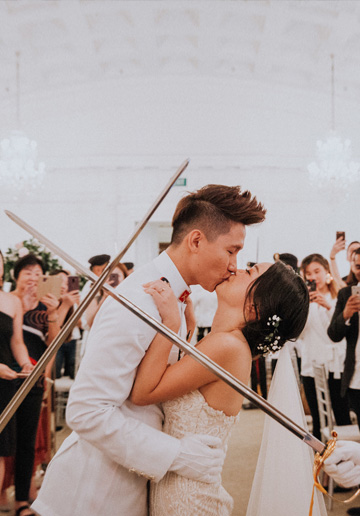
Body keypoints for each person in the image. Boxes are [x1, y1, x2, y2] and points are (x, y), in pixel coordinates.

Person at [32, 184, 267, 516]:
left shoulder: (172, 300)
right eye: (232, 250)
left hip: (132, 488)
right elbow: (86, 410)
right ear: (196, 241)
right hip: (94, 494)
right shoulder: (139, 300)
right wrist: (177, 454)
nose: (234, 265)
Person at [130, 261, 309, 514]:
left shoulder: (228, 347)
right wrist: (187, 328)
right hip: (180, 490)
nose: (235, 269)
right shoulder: (226, 343)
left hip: (190, 502)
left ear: (256, 306)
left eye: (249, 272)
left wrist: (170, 323)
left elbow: (142, 393)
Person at [10, 254, 61, 516]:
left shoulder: (44, 308)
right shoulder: (7, 302)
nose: (32, 277)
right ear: (15, 276)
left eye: (37, 273)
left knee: (26, 441)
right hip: (4, 377)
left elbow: (53, 344)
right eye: (27, 272)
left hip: (32, 380)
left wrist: (52, 313)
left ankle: (21, 501)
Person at [298, 253, 351, 441]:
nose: (313, 277)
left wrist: (328, 307)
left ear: (326, 271)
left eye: (317, 271)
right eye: (308, 273)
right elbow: (300, 336)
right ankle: (320, 462)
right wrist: (303, 309)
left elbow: (339, 333)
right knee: (318, 419)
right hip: (311, 365)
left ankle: (346, 460)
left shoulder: (339, 297)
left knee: (342, 414)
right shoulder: (303, 301)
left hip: (335, 365)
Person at [0, 252, 34, 513]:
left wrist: (25, 364)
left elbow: (17, 342)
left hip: (4, 387)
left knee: (0, 453)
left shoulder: (11, 301)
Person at [328, 247, 360, 433]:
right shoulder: (346, 294)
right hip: (356, 379)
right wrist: (346, 314)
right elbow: (333, 334)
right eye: (358, 266)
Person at [49, 270, 81, 379]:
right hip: (53, 344)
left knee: (71, 370)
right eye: (59, 282)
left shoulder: (72, 303)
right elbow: (50, 334)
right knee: (55, 372)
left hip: (71, 339)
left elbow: (81, 324)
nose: (63, 286)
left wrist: (75, 304)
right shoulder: (46, 304)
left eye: (67, 283)